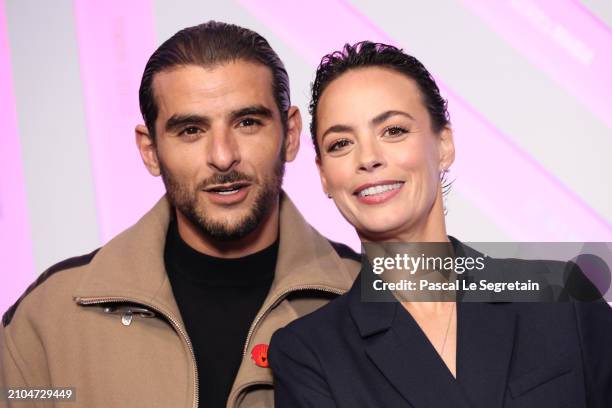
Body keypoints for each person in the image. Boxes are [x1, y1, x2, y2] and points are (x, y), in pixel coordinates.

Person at [0, 22, 360, 408]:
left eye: (247, 123)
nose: (222, 156)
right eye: (190, 130)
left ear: (290, 135)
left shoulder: (372, 295)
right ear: (150, 150)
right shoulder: (49, 319)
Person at [269, 41, 612, 407]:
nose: (368, 158)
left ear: (444, 144)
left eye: (394, 130)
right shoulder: (310, 354)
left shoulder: (564, 299)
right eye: (340, 143)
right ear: (323, 175)